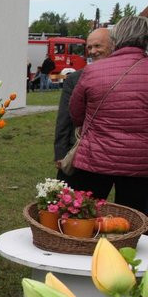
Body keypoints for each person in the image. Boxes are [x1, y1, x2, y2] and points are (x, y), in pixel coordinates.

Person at [69, 16, 148, 214]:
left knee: (85, 215)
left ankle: (84, 245)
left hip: (95, 158)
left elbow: (76, 113)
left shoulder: (93, 71)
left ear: (116, 39)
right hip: (140, 161)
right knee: (136, 220)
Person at [53, 28, 113, 183]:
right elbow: (64, 120)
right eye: (89, 47)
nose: (92, 51)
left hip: (120, 156)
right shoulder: (75, 79)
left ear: (114, 46)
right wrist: (61, 154)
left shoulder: (129, 76)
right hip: (82, 154)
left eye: (98, 46)